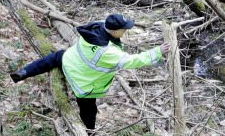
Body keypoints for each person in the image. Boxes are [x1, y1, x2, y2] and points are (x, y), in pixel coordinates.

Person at [9, 12, 163, 130]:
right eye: (124, 29)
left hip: (69, 61)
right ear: (115, 31)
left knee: (53, 58)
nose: (126, 31)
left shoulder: (96, 26)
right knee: (89, 110)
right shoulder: (107, 52)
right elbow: (132, 61)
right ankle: (88, 135)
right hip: (82, 82)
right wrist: (158, 52)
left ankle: (23, 73)